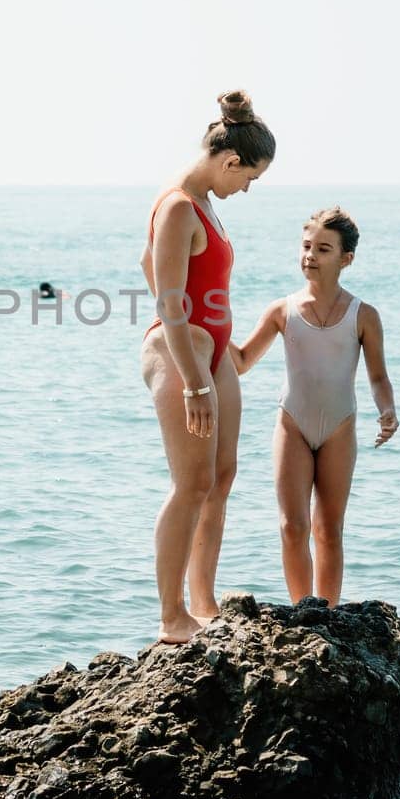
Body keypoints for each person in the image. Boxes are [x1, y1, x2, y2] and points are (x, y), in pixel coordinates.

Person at [140, 90, 275, 644]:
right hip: (182, 354)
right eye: (249, 178)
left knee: (220, 478)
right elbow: (168, 300)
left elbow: (145, 263)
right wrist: (194, 380)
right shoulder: (177, 205)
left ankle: (203, 601)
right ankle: (172, 616)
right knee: (190, 482)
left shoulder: (205, 204)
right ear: (229, 161)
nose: (246, 189)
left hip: (212, 351)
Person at [230, 207, 399, 607]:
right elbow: (240, 362)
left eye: (323, 249)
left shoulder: (364, 316)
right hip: (293, 424)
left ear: (346, 259)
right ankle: (302, 611)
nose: (310, 255)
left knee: (328, 530)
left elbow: (377, 377)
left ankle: (330, 613)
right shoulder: (281, 311)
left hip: (340, 427)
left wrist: (387, 410)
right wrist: (204, 331)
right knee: (292, 526)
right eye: (306, 246)